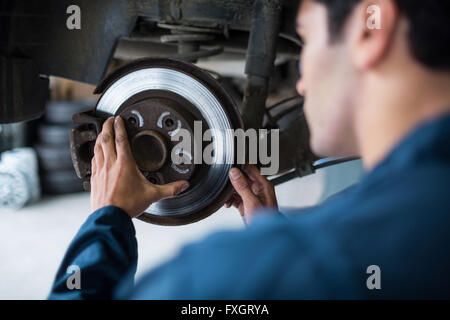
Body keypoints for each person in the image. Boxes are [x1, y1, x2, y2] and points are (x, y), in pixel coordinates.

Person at [49, 0, 450, 299]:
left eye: (306, 40)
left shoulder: (231, 276)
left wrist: (107, 220)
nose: (300, 84)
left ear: (370, 29)